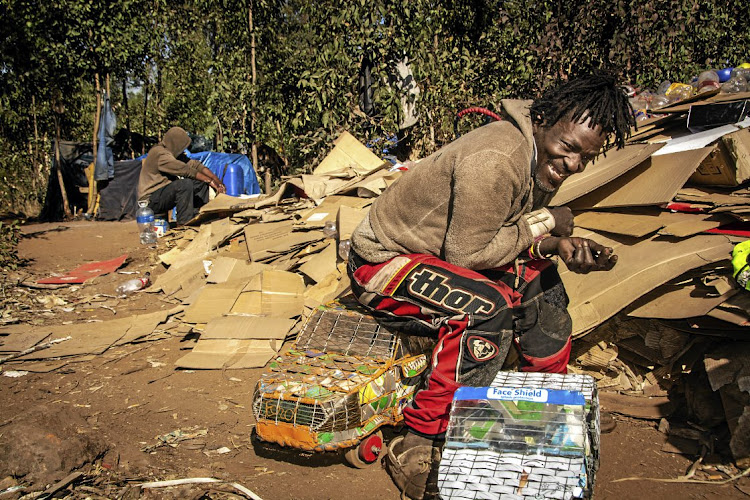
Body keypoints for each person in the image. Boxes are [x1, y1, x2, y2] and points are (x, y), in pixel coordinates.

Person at [346, 72, 635, 500]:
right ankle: (421, 437)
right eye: (569, 148)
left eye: (584, 158)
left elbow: (500, 237)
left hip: (444, 254)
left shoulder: (535, 155)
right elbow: (468, 255)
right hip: (383, 262)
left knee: (544, 283)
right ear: (546, 120)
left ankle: (547, 402)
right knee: (485, 308)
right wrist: (549, 223)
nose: (573, 164)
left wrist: (558, 246)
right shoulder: (498, 158)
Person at [137, 126, 226, 224]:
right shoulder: (159, 153)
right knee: (184, 184)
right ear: (176, 144)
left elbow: (195, 165)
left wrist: (216, 181)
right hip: (150, 201)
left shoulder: (172, 153)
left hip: (162, 195)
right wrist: (210, 181)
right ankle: (185, 222)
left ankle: (200, 213)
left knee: (199, 182)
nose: (184, 151)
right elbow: (185, 170)